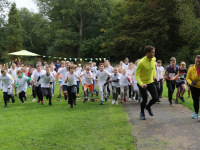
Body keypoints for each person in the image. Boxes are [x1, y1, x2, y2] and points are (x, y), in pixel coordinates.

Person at [135, 46, 159, 120]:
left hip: (150, 82)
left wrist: (154, 76)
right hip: (142, 83)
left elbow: (153, 69)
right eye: (152, 52)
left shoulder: (154, 59)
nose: (154, 54)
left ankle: (148, 107)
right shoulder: (141, 62)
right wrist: (142, 84)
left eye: (154, 52)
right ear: (147, 53)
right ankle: (142, 113)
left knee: (155, 98)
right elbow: (136, 74)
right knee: (144, 99)